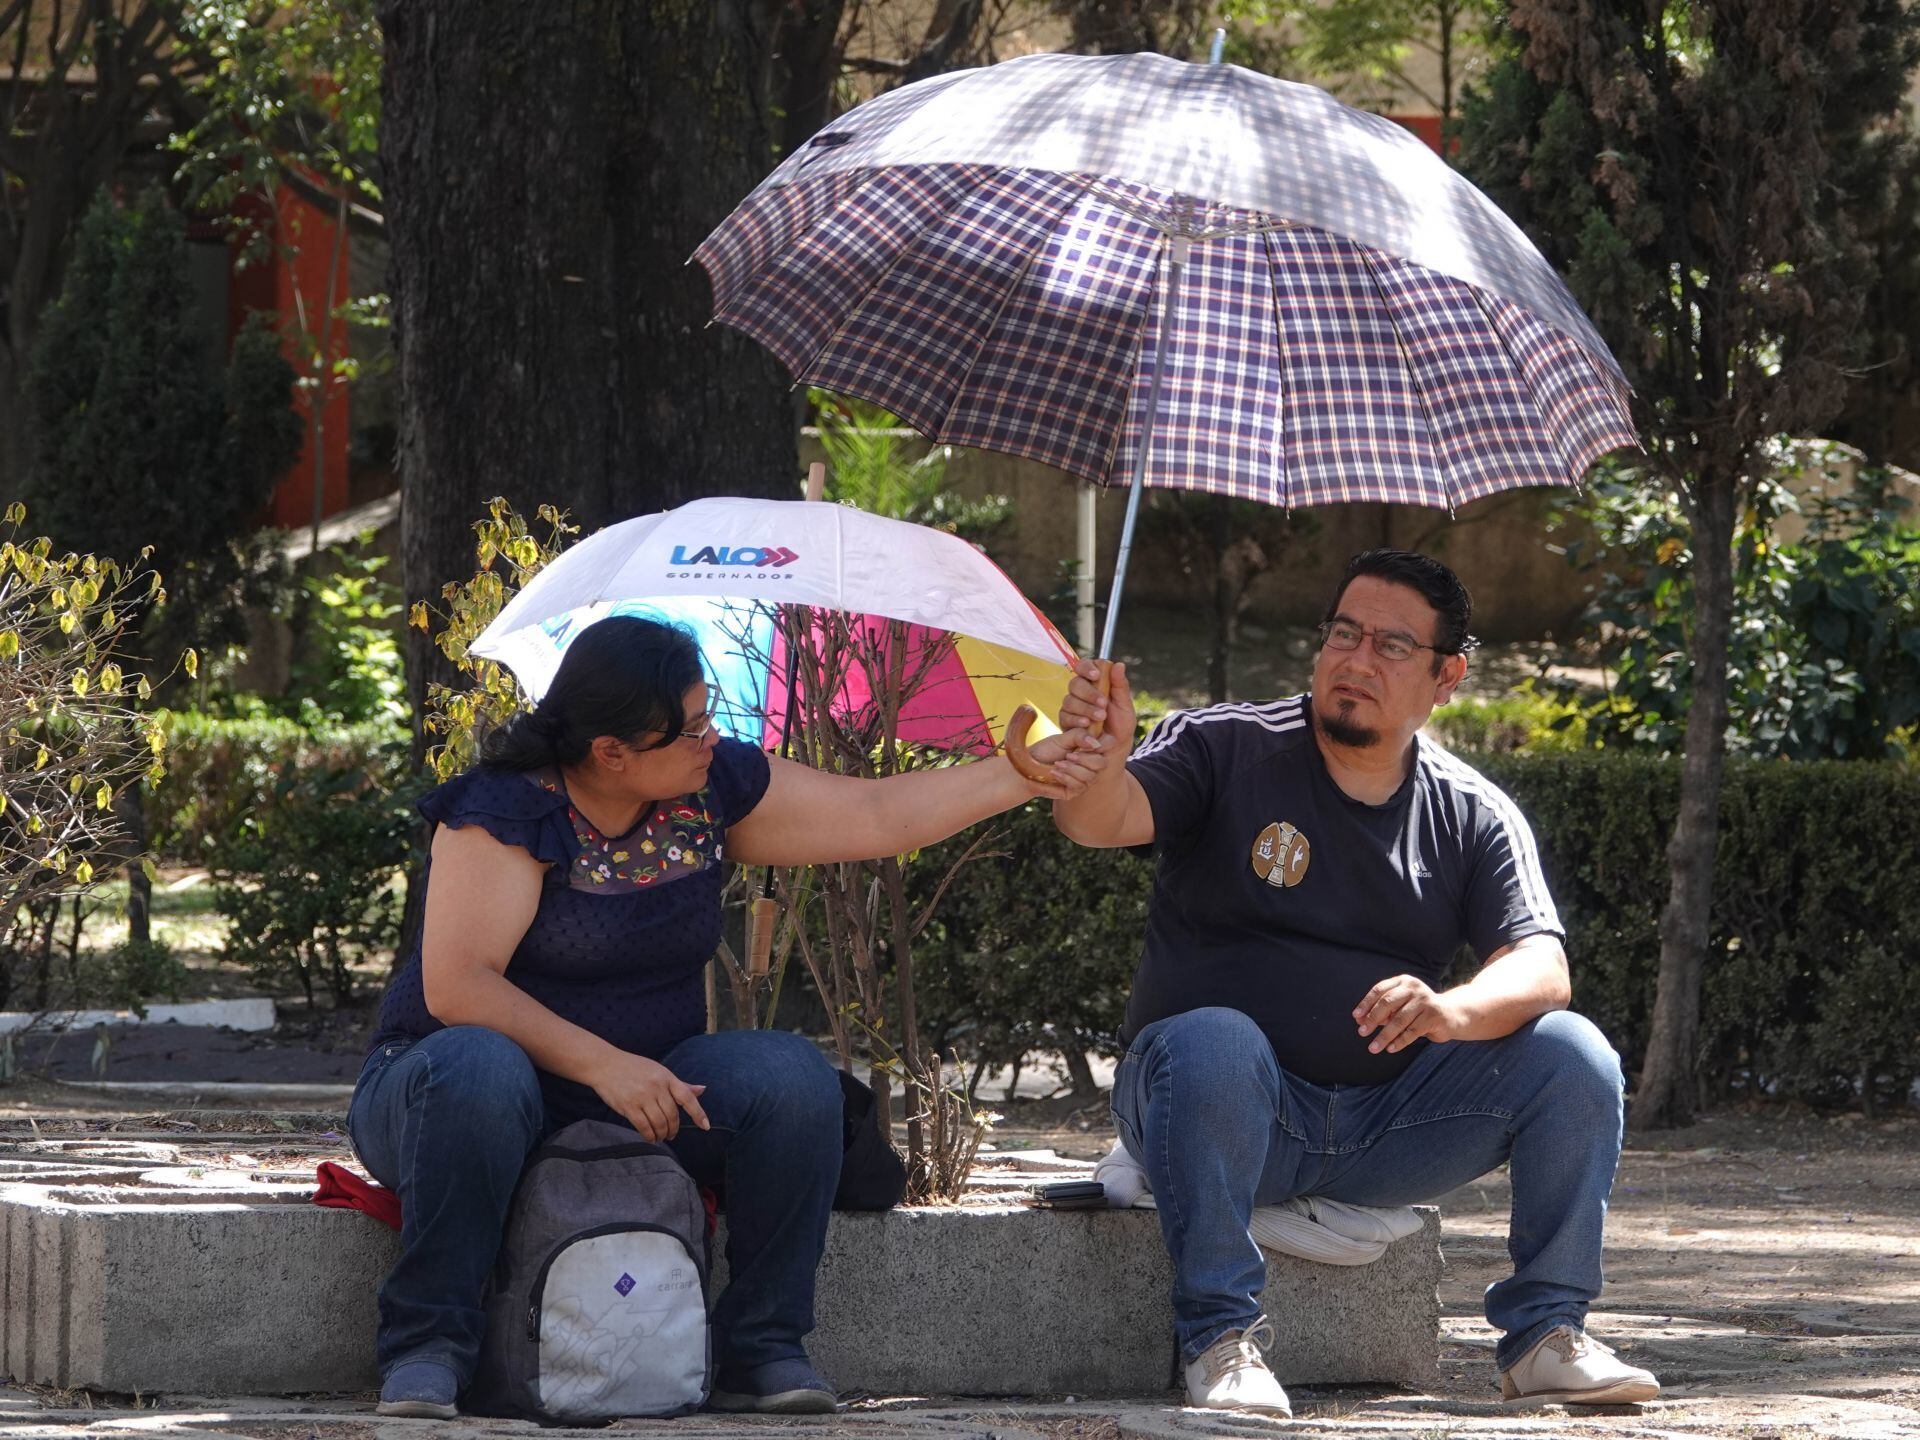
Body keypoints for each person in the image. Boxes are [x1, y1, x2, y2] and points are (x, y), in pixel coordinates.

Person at [349, 616, 1104, 1419]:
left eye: (711, 717)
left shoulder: (707, 791)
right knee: (480, 1065)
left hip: (642, 1090)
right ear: (613, 752)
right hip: (452, 1097)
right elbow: (460, 987)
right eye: (693, 727)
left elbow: (878, 815)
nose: (712, 738)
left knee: (790, 1077)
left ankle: (762, 1346)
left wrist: (1023, 774)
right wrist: (605, 1063)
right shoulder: (503, 810)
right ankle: (428, 1345)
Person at [1050, 549, 1659, 1416]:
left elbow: (1542, 966)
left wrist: (1452, 1010)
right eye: (1344, 632)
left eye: (1392, 645)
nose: (1356, 659)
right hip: (1212, 1102)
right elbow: (1099, 819)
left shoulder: (1470, 809)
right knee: (1213, 1035)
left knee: (1574, 1056)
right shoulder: (1225, 745)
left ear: (1447, 675)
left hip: (1384, 1127)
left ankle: (1546, 1337)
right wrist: (1097, 762)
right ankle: (1218, 1341)